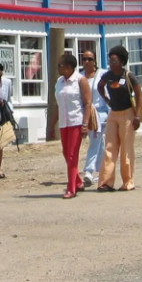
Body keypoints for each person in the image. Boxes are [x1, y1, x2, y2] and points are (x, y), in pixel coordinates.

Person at [96, 45, 142, 192]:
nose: (112, 64)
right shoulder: (107, 75)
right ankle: (105, 182)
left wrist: (137, 115)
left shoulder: (128, 76)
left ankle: (128, 182)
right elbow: (100, 86)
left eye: (115, 61)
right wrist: (107, 99)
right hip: (113, 114)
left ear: (122, 61)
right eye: (110, 61)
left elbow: (139, 95)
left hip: (127, 114)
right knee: (109, 147)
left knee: (126, 148)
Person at [50, 52, 91, 199]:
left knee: (73, 155)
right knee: (66, 153)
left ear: (68, 67)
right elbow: (57, 105)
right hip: (64, 123)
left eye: (60, 65)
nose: (58, 68)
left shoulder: (80, 80)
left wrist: (85, 124)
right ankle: (78, 181)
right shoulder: (59, 82)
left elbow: (87, 104)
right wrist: (51, 125)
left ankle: (71, 188)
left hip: (76, 121)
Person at [81, 50, 109, 187]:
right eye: (84, 59)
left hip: (101, 114)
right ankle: (101, 170)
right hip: (87, 114)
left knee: (96, 142)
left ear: (95, 61)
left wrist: (111, 112)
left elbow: (108, 94)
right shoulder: (80, 77)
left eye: (89, 59)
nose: (87, 62)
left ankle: (89, 171)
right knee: (98, 143)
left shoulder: (102, 74)